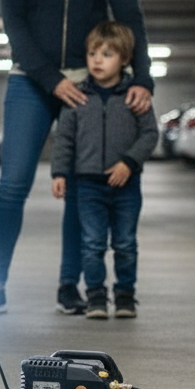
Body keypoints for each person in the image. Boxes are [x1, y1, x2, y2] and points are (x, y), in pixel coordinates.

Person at [0, 0, 153, 317]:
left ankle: (69, 287)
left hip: (86, 84)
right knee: (13, 183)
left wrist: (143, 78)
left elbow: (131, 17)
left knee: (82, 188)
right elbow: (13, 21)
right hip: (30, 82)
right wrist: (48, 78)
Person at [50, 22, 158, 318]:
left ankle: (125, 294)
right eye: (93, 53)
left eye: (107, 54)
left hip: (127, 184)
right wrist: (59, 173)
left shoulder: (135, 97)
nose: (97, 60)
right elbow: (65, 139)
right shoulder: (77, 97)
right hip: (88, 185)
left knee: (125, 243)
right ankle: (96, 295)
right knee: (92, 243)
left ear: (124, 59)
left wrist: (129, 163)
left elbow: (150, 135)